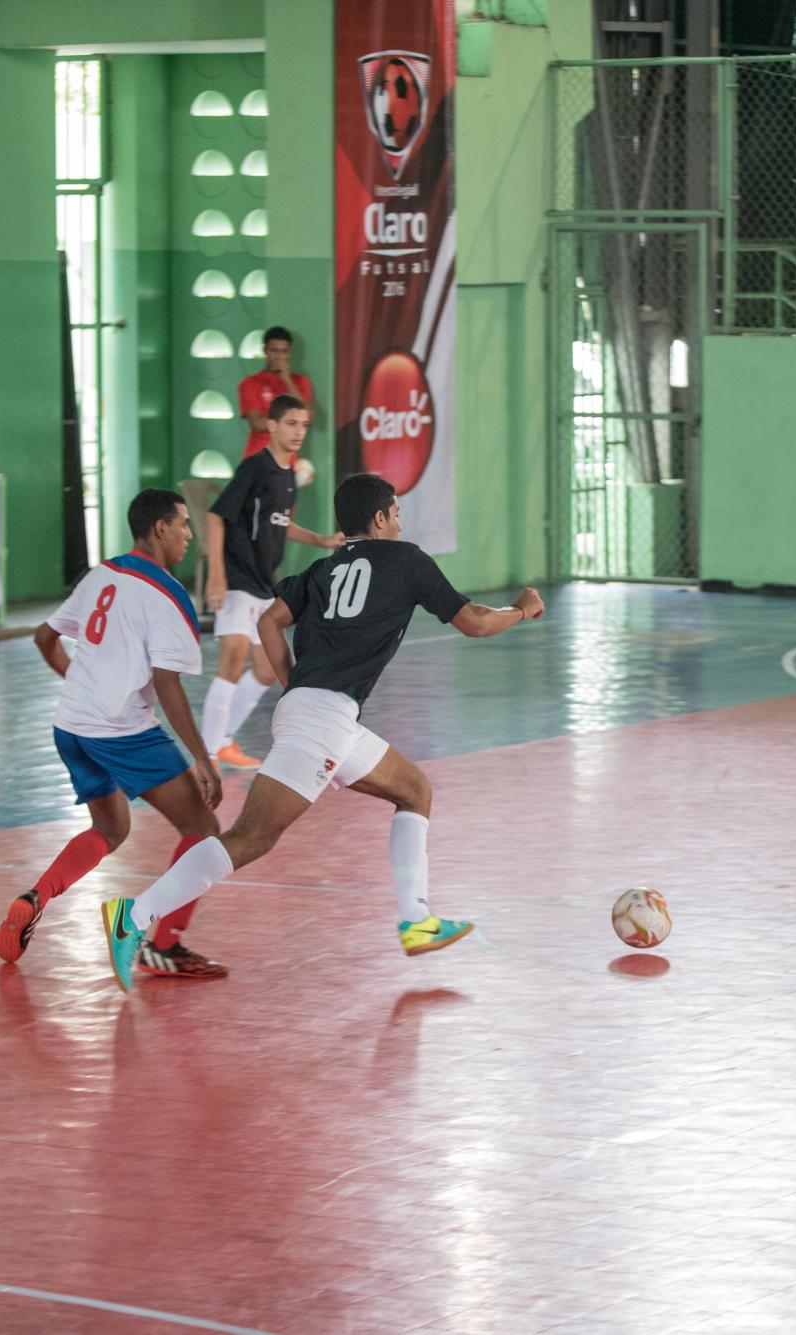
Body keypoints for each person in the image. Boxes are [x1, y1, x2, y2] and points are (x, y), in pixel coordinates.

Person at [98, 473, 546, 993]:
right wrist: (521, 609)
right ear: (379, 519)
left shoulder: (323, 569)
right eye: (396, 512)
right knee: (251, 836)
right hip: (323, 720)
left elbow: (269, 621)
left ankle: (417, 919)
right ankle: (134, 916)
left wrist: (295, 688)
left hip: (323, 716)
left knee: (414, 790)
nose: (400, 522)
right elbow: (472, 621)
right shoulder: (407, 561)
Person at [0, 488, 230, 980]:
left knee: (110, 829)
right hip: (121, 733)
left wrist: (86, 686)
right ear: (159, 528)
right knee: (204, 831)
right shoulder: (167, 594)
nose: (189, 534)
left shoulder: (102, 573)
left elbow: (44, 637)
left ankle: (37, 895)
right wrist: (202, 758)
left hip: (71, 727)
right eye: (183, 524)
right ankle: (163, 945)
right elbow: (167, 685)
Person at [200, 395, 342, 770]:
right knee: (232, 660)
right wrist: (217, 575)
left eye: (304, 425)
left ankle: (223, 741)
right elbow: (217, 517)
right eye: (292, 423)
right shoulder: (255, 468)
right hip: (238, 579)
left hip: (265, 584)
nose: (299, 432)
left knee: (266, 669)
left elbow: (279, 524)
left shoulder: (288, 477)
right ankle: (207, 754)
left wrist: (322, 540)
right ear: (272, 426)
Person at [237, 327, 316, 459]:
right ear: (265, 351)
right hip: (257, 459)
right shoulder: (250, 383)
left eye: (283, 351)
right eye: (274, 351)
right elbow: (257, 424)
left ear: (289, 353)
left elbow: (308, 418)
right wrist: (292, 422)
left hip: (287, 462)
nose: (278, 357)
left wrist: (287, 380)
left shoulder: (300, 381)